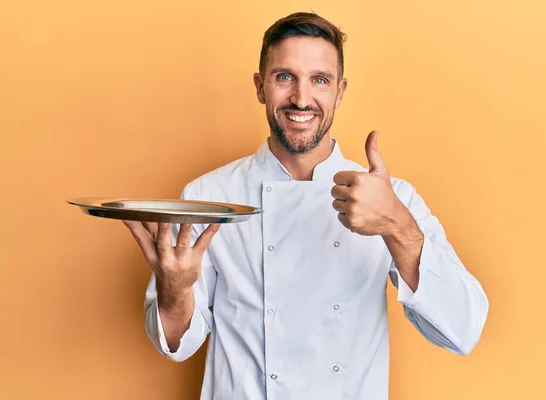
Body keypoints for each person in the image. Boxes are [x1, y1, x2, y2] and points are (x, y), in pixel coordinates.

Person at [123, 11, 489, 400]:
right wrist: (175, 290)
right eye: (284, 77)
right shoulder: (209, 194)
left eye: (319, 80)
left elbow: (462, 330)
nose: (301, 98)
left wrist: (397, 225)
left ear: (340, 91)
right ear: (260, 86)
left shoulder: (390, 197)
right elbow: (177, 344)